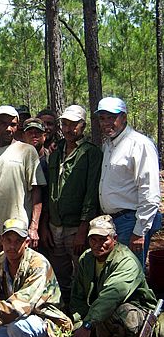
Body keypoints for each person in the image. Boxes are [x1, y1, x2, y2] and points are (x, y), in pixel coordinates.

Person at [70, 215, 158, 337]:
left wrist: (87, 325)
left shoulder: (126, 261)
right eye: (93, 240)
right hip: (99, 315)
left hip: (135, 315)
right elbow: (78, 296)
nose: (98, 245)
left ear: (114, 239)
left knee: (114, 312)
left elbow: (111, 297)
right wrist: (79, 325)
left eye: (103, 240)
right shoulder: (87, 258)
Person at [97, 96, 162, 268]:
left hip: (131, 221)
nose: (106, 123)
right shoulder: (108, 145)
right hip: (113, 221)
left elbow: (149, 190)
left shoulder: (139, 144)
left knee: (130, 273)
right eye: (102, 118)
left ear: (124, 117)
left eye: (111, 117)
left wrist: (140, 231)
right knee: (117, 271)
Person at [46, 105, 102, 304]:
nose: (68, 129)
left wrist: (83, 228)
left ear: (83, 126)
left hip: (76, 226)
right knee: (59, 273)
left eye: (73, 125)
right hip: (55, 225)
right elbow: (49, 189)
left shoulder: (91, 153)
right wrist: (46, 224)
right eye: (65, 124)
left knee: (82, 272)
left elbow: (91, 192)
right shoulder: (56, 151)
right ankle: (64, 309)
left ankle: (83, 310)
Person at [0, 105, 46, 260]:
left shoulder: (27, 151)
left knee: (21, 269)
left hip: (19, 228)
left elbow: (36, 191)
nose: (8, 129)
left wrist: (34, 226)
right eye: (3, 123)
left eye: (13, 124)